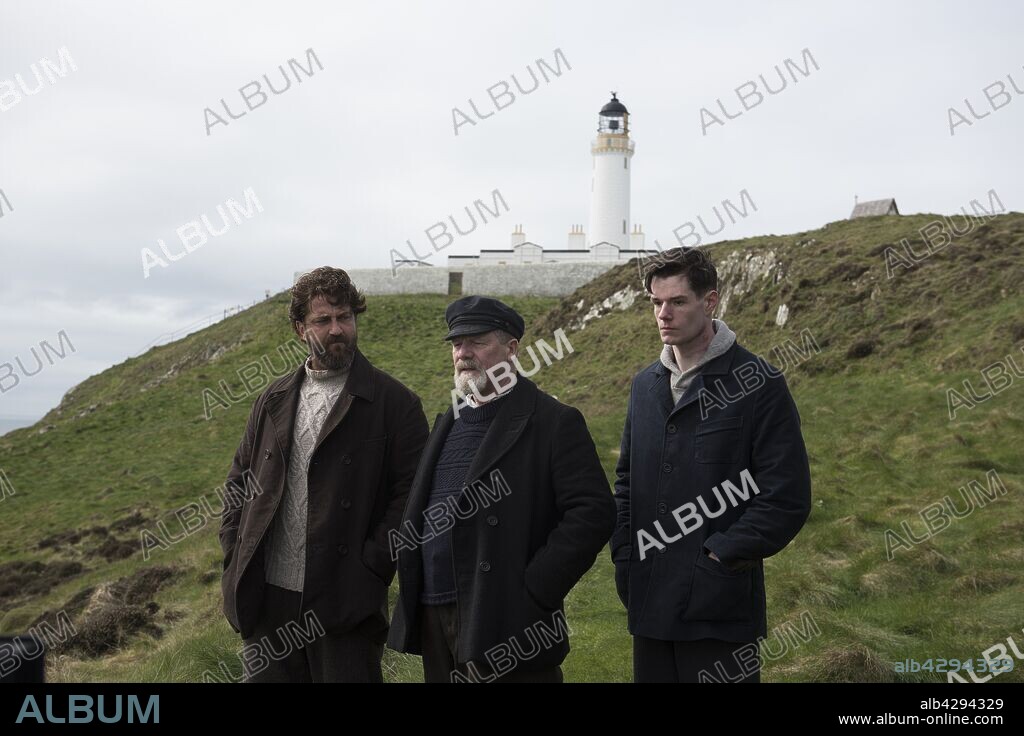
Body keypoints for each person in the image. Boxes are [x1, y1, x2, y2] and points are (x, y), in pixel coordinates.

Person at [387, 295, 615, 682]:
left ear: (511, 348)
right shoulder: (449, 422)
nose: (463, 352)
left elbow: (594, 512)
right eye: (457, 344)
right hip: (434, 608)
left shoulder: (552, 420)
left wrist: (535, 588)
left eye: (476, 341)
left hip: (506, 615)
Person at [611, 247, 812, 683]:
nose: (663, 314)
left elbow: (786, 497)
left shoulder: (760, 383)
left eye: (677, 301)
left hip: (719, 608)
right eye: (656, 303)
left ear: (710, 301)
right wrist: (625, 555)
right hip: (648, 603)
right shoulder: (645, 386)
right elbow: (626, 481)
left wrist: (720, 556)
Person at [219, 266, 428, 682]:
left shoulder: (395, 403)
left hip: (344, 605)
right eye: (323, 320)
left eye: (345, 317)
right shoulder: (273, 398)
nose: (337, 330)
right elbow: (240, 481)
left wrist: (371, 567)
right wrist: (234, 553)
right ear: (301, 329)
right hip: (268, 602)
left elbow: (411, 498)